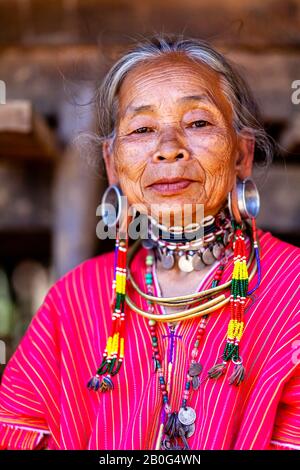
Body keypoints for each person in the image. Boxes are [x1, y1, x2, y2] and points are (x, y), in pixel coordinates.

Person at [0, 34, 299, 450]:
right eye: (142, 129)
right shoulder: (73, 302)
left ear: (241, 155)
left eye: (197, 122)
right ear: (113, 165)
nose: (169, 149)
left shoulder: (293, 293)